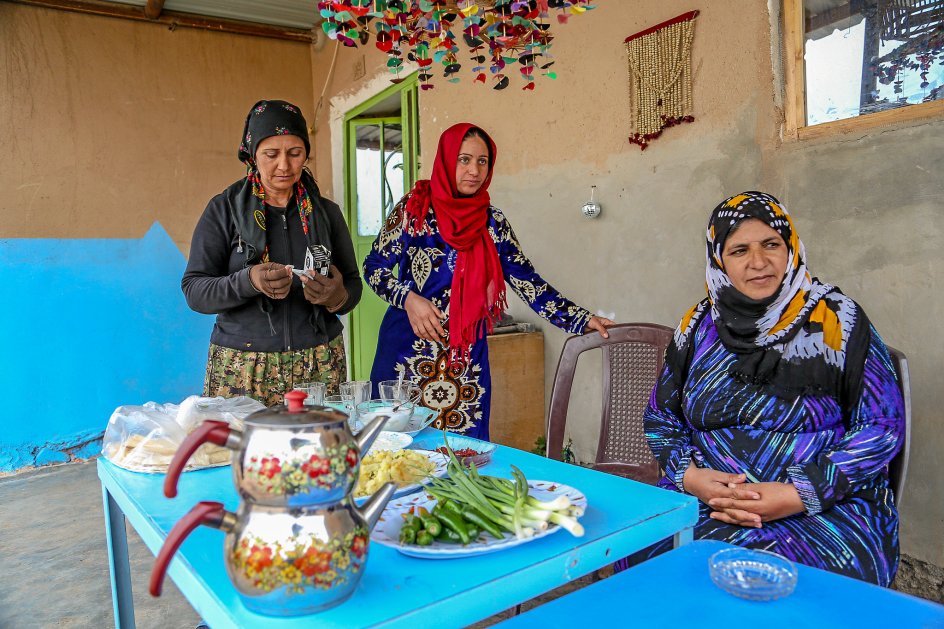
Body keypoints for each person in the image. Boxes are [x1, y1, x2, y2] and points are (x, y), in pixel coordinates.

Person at [636, 191, 903, 585]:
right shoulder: (696, 326)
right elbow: (661, 418)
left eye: (771, 245)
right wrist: (690, 477)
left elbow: (883, 426)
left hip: (824, 510)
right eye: (739, 250)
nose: (758, 262)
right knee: (651, 558)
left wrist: (800, 492)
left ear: (791, 246)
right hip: (708, 503)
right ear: (719, 260)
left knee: (807, 584)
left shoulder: (837, 321)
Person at [364, 123, 613, 440]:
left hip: (464, 362)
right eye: (464, 160)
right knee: (398, 449)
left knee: (465, 456)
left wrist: (580, 319)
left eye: (482, 161)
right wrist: (409, 299)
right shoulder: (415, 210)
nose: (474, 170)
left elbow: (528, 283)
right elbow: (374, 267)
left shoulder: (492, 223)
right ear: (447, 160)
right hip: (407, 354)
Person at [182, 99, 361, 406]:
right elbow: (195, 290)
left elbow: (353, 285)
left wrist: (336, 296)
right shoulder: (225, 210)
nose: (284, 165)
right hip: (242, 367)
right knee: (245, 451)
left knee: (316, 451)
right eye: (271, 154)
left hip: (318, 364)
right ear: (252, 155)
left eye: (295, 153)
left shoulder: (326, 213)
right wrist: (247, 281)